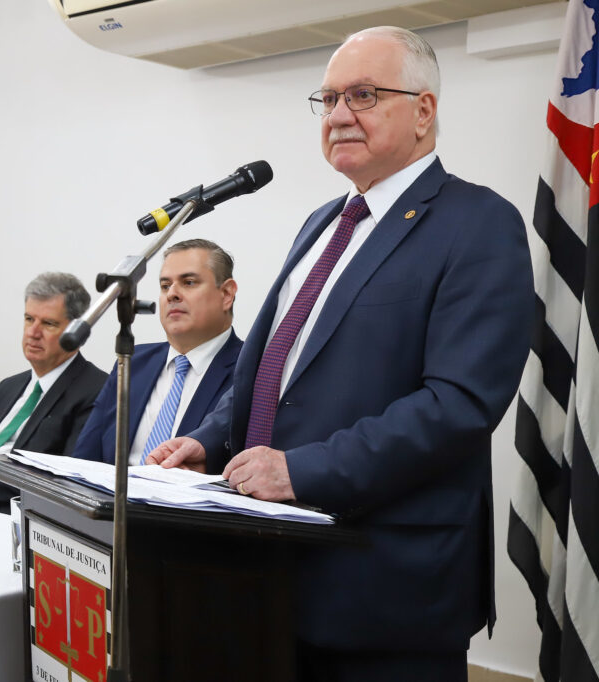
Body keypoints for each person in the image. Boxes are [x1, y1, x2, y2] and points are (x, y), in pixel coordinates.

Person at [150, 27, 534, 681]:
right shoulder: (323, 221)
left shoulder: (478, 222)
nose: (338, 115)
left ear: (423, 111)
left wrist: (301, 471)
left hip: (383, 585)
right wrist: (211, 439)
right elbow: (277, 368)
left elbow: (459, 405)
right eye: (327, 99)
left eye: (363, 95)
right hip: (268, 572)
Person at [73, 239, 242, 465]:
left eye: (189, 282)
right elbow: (84, 459)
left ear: (227, 294)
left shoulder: (252, 368)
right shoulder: (133, 362)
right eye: (165, 286)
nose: (172, 294)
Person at [0, 272, 107, 508]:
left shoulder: (97, 390)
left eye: (48, 323)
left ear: (78, 332)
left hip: (16, 513)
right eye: (29, 319)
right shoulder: (9, 386)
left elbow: (66, 478)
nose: (33, 333)